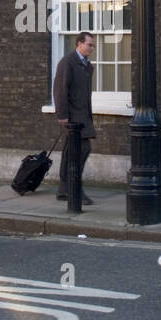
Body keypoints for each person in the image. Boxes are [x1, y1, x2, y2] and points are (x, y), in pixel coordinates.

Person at [53, 31, 96, 204]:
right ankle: (74, 189)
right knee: (81, 150)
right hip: (73, 117)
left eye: (92, 45)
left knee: (70, 152)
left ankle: (64, 188)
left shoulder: (86, 65)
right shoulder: (68, 62)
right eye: (89, 44)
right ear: (79, 43)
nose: (92, 48)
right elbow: (60, 89)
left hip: (83, 115)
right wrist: (62, 115)